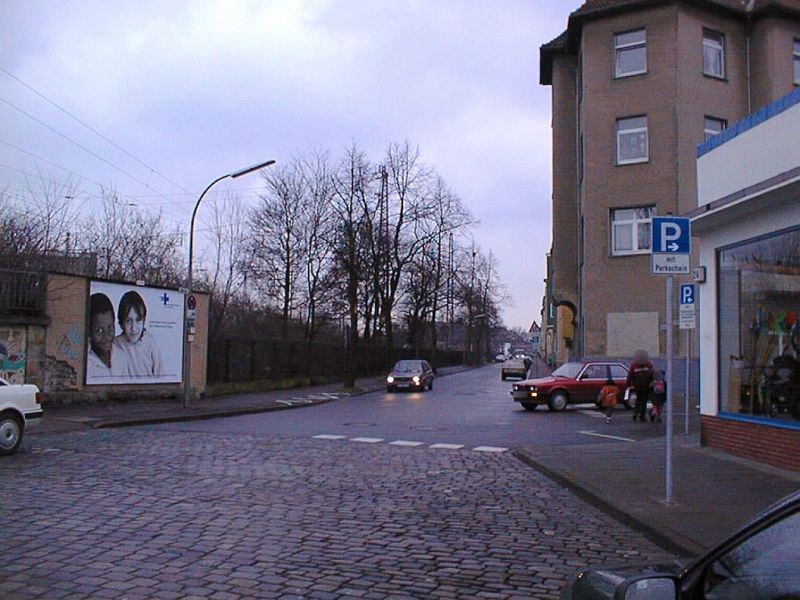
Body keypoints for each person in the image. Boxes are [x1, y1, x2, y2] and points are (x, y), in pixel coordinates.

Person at [112, 291, 163, 378]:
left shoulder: (151, 344)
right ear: (122, 323)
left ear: (144, 320)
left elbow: (160, 377)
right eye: (128, 321)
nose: (134, 328)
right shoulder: (116, 344)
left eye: (138, 320)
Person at [86, 293, 115, 380]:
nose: (107, 337)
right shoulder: (85, 363)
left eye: (110, 328)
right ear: (89, 332)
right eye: (99, 331)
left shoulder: (122, 354)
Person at [627, 349, 654, 422]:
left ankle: (636, 415)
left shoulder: (634, 366)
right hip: (644, 386)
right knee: (643, 402)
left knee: (639, 401)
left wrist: (629, 385)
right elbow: (652, 375)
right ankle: (641, 416)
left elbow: (630, 376)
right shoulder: (648, 365)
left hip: (639, 386)